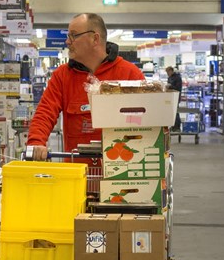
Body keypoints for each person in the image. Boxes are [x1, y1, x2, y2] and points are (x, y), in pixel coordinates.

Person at [27, 13, 144, 160]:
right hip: (77, 174)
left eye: (73, 36)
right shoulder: (62, 76)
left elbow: (147, 120)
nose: (67, 41)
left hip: (120, 174)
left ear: (95, 39)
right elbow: (45, 112)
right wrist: (36, 142)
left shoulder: (129, 74)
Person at [165, 66, 183, 131]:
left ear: (171, 71)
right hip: (171, 97)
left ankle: (177, 126)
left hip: (176, 97)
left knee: (176, 111)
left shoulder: (177, 78)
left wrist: (170, 86)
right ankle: (173, 125)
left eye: (168, 72)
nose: (167, 73)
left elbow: (178, 88)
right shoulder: (170, 78)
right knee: (172, 112)